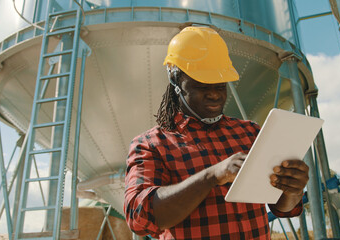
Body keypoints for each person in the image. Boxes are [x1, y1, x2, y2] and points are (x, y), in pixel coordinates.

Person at [124, 26, 309, 239]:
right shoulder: (151, 144)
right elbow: (139, 218)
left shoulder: (249, 133)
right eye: (201, 84)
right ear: (175, 80)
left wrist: (292, 189)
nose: (214, 94)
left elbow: (282, 208)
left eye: (220, 84)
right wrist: (213, 175)